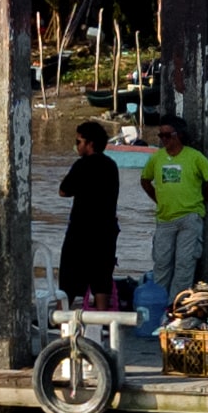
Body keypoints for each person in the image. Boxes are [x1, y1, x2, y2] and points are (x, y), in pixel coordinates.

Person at [139, 123, 208, 305]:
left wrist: (201, 199)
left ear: (178, 136)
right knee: (162, 264)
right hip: (164, 219)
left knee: (184, 264)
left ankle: (175, 306)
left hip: (189, 218)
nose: (164, 140)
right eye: (161, 136)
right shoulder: (157, 158)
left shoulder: (194, 157)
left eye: (168, 135)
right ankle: (159, 304)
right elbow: (145, 180)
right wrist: (158, 199)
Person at [57, 119, 124, 307]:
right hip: (106, 229)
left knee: (68, 279)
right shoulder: (111, 166)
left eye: (79, 142)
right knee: (101, 278)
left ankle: (59, 318)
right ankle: (102, 320)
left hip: (81, 229)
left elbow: (63, 191)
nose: (76, 146)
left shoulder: (82, 165)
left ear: (90, 143)